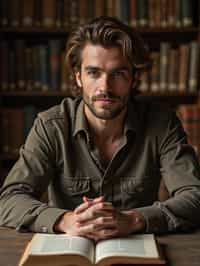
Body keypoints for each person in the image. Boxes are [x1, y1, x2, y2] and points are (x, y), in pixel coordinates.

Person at [0, 16, 200, 241]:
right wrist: (66, 221)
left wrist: (134, 220)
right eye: (94, 73)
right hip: (69, 252)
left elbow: (195, 196)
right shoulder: (51, 126)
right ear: (78, 78)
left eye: (118, 74)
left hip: (136, 251)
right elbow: (9, 200)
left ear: (134, 79)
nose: (105, 87)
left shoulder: (161, 124)